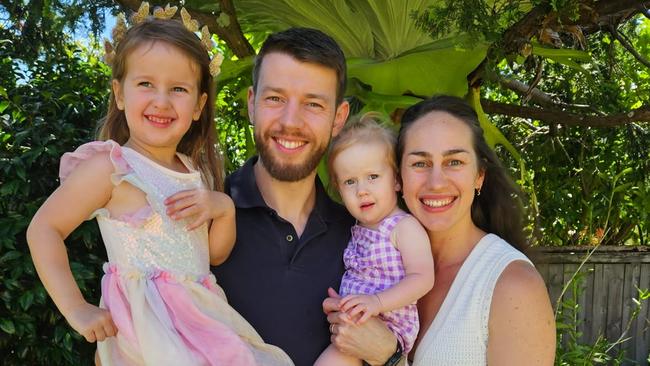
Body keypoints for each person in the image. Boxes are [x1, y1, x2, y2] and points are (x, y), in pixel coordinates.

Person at [26, 9, 292, 366]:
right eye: (146, 84)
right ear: (120, 94)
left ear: (198, 105)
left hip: (200, 321)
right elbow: (44, 229)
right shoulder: (111, 167)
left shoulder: (196, 173)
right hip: (145, 328)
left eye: (178, 89)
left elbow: (214, 255)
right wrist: (76, 308)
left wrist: (223, 209)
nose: (162, 101)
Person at [212, 28, 401, 366]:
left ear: (338, 118)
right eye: (275, 99)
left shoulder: (364, 236)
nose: (290, 121)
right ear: (252, 104)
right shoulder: (204, 216)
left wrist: (389, 355)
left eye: (313, 104)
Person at [324, 95, 555, 365]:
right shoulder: (373, 253)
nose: (436, 182)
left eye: (454, 162)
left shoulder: (513, 286)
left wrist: (390, 357)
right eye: (420, 163)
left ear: (479, 175)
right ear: (399, 175)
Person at [314, 115, 434, 366]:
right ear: (338, 189)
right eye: (350, 181)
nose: (362, 190)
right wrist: (344, 302)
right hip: (357, 326)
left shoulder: (403, 227)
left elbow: (423, 278)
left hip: (389, 328)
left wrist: (377, 302)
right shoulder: (356, 229)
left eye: (373, 177)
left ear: (397, 180)